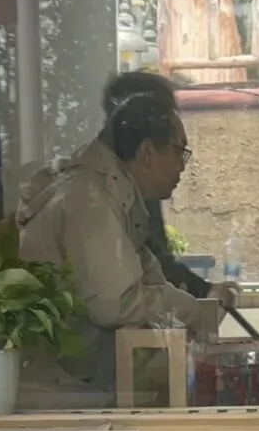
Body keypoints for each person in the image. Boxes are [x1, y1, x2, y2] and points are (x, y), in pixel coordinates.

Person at [17, 91, 217, 401]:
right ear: (147, 152)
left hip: (77, 385)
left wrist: (190, 307)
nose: (182, 166)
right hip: (56, 394)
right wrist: (191, 310)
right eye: (180, 151)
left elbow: (149, 280)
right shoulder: (89, 198)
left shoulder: (114, 197)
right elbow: (117, 303)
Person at [102, 70, 232, 304]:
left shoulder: (131, 183)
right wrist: (203, 292)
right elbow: (149, 270)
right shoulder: (101, 195)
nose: (180, 166)